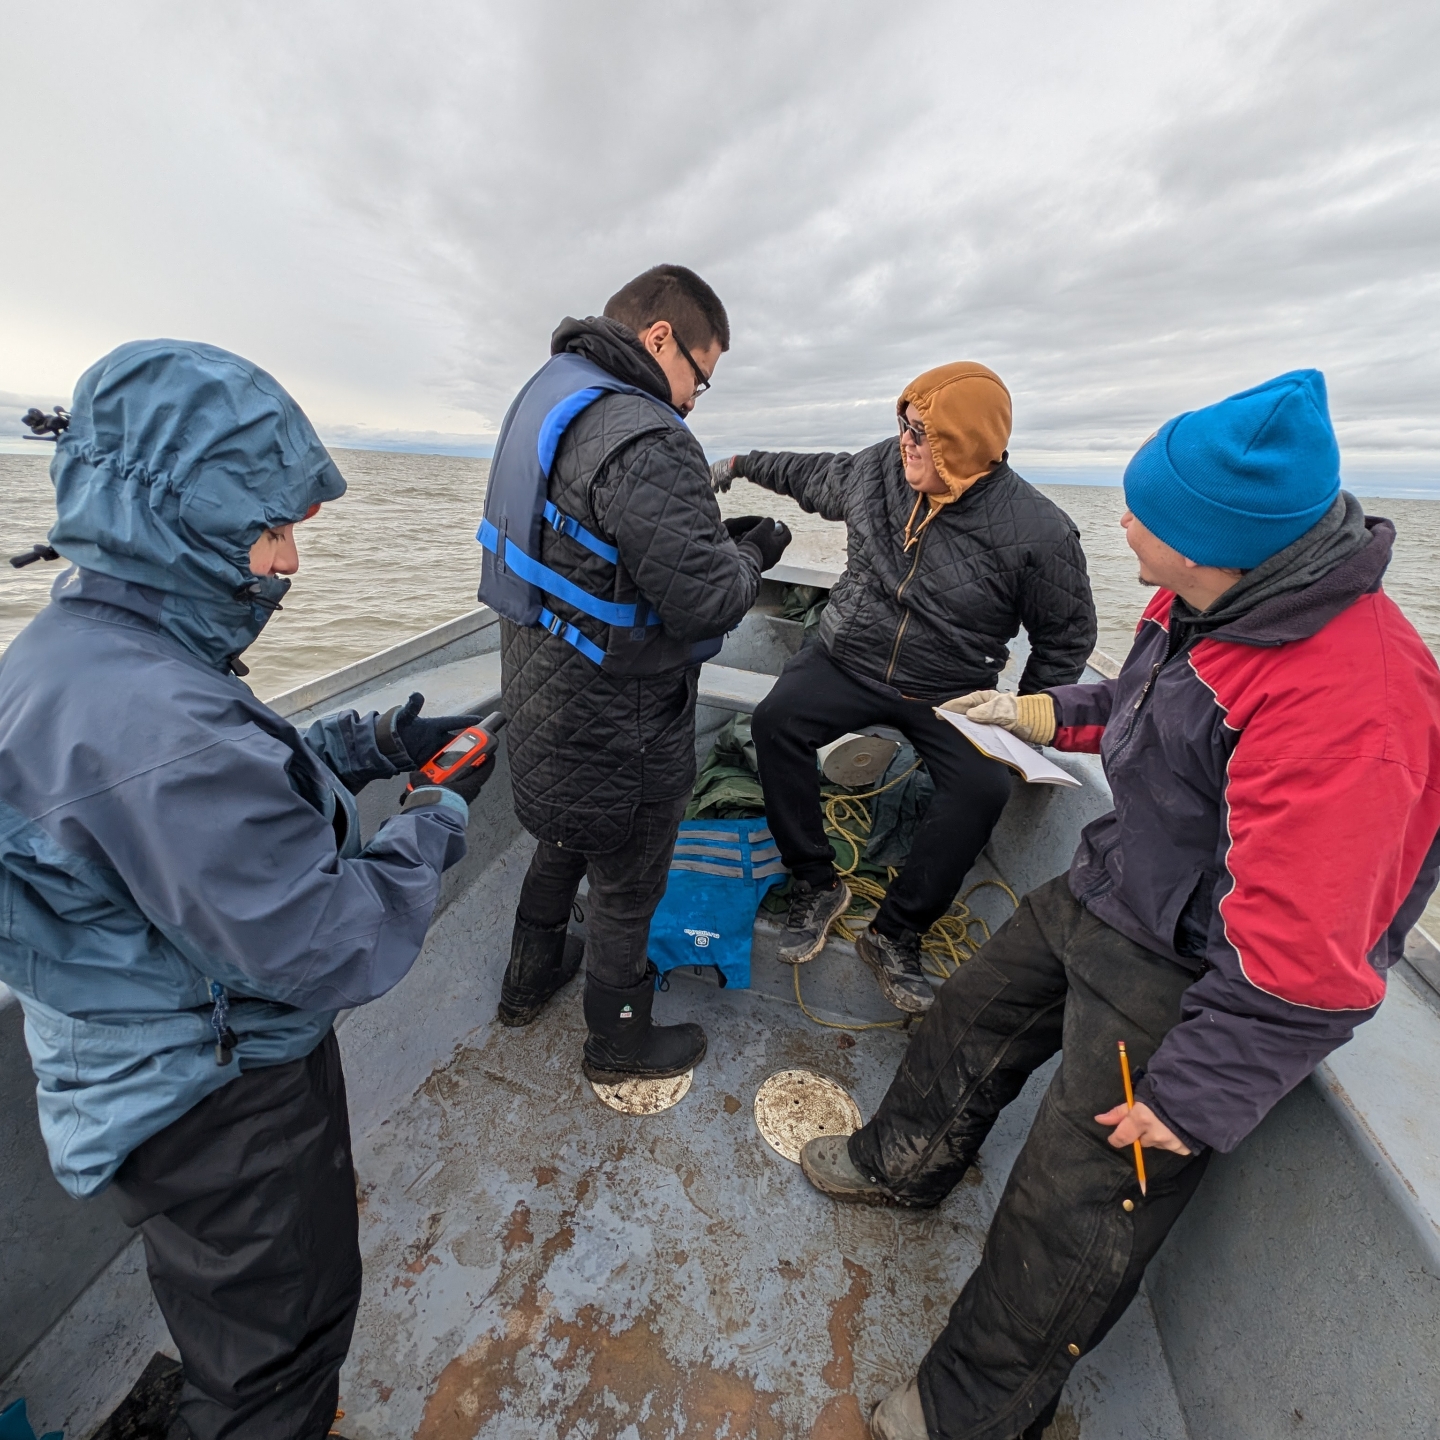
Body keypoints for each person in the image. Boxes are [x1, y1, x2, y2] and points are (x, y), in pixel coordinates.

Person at [795, 369, 1440, 1440]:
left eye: (1147, 518)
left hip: (1199, 974)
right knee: (970, 1013)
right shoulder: (1214, 591)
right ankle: (900, 1163)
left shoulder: (1356, 707)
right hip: (1120, 881)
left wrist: (1192, 1100)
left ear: (1215, 540)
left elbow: (1309, 956)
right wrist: (1045, 711)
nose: (1125, 526)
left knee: (1075, 1197)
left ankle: (968, 1412)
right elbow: (1144, 701)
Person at [0, 341, 495, 1440]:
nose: (289, 562)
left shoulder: (96, 645)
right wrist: (433, 817)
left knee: (227, 1317)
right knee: (283, 1349)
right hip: (217, 1099)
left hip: (133, 1063)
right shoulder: (156, 727)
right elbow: (327, 942)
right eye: (271, 532)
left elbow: (213, 795)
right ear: (183, 520)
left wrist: (364, 742)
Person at [479, 264, 792, 1081]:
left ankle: (526, 980)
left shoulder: (557, 399)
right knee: (625, 886)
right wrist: (755, 549)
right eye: (700, 377)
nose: (693, 400)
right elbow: (709, 603)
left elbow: (603, 551)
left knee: (560, 836)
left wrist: (705, 537)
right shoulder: (650, 436)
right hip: (621, 723)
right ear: (661, 341)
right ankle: (618, 1042)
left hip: (542, 695)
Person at [711, 363, 1096, 1012]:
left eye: (923, 433)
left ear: (968, 445)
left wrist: (1032, 720)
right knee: (778, 721)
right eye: (904, 425)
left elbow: (1065, 636)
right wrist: (742, 461)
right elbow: (808, 473)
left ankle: (896, 932)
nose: (905, 443)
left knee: (982, 788)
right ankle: (815, 880)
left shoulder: (1041, 532)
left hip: (950, 686)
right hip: (847, 655)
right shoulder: (879, 470)